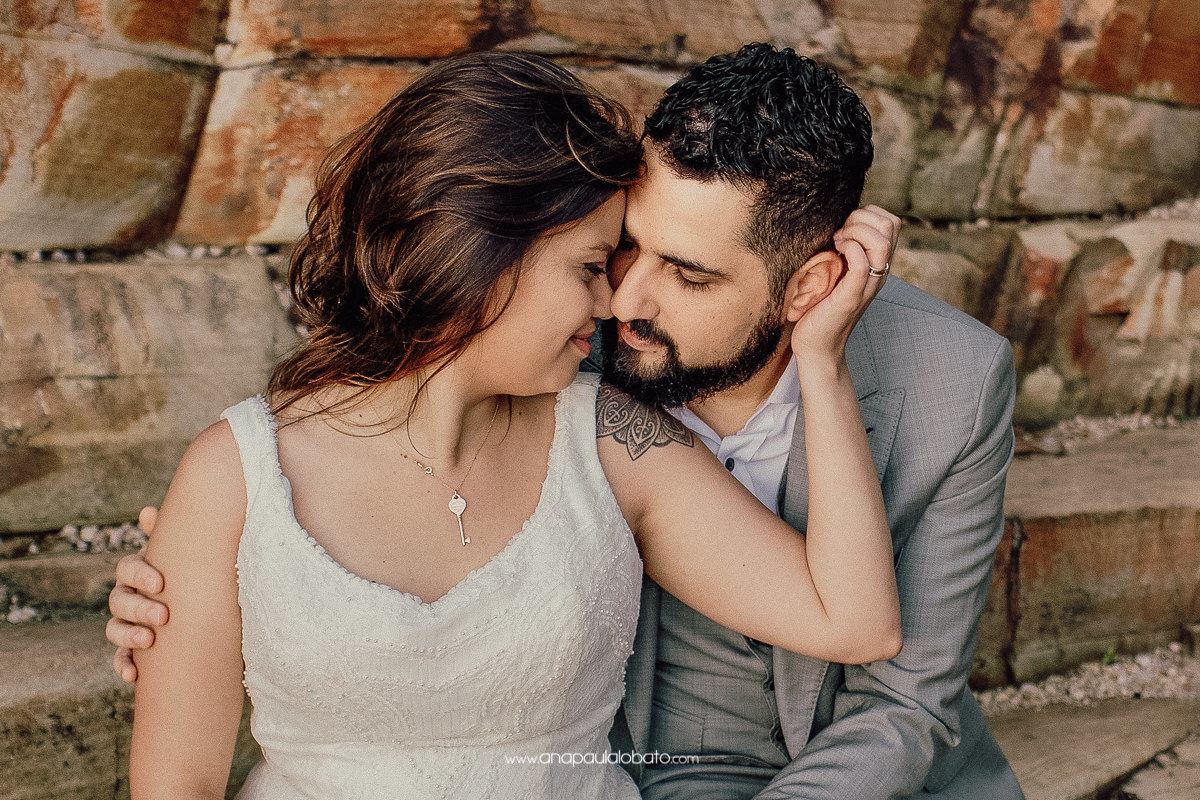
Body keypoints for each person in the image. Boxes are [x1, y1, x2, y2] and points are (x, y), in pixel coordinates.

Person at [115, 50, 903, 800]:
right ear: (485, 255)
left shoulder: (610, 442)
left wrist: (821, 360)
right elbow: (176, 784)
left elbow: (854, 619)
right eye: (593, 266)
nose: (612, 305)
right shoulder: (237, 474)